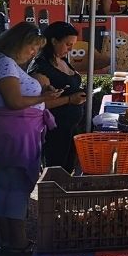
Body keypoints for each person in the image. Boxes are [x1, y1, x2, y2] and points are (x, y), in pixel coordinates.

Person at [0, 22, 61, 256]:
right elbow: (14, 101)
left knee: (6, 185)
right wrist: (43, 98)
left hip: (5, 129)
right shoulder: (4, 64)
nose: (33, 52)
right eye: (31, 46)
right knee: (18, 188)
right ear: (16, 42)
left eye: (37, 48)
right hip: (14, 131)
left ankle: (8, 240)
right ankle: (19, 243)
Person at [29, 22, 88, 173]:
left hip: (71, 128)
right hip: (55, 131)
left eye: (72, 45)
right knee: (56, 171)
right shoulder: (41, 67)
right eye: (67, 44)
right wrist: (70, 99)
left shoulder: (62, 60)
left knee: (68, 170)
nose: (71, 49)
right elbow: (42, 104)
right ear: (54, 41)